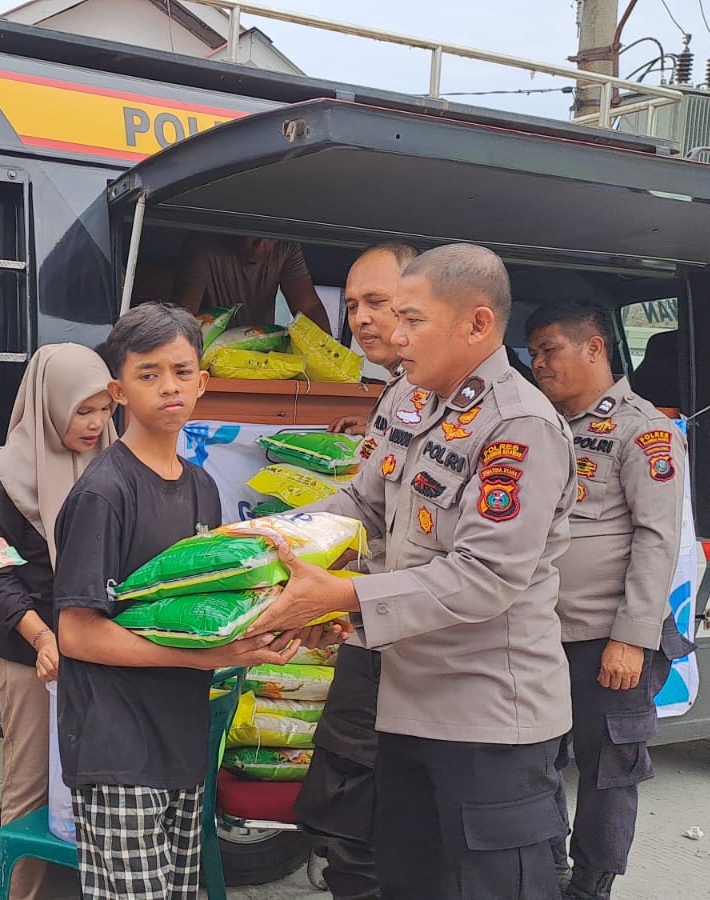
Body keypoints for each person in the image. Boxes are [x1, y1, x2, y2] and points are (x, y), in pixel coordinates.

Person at [248, 243, 576, 900]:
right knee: (403, 880)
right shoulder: (408, 398)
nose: (394, 338)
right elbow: (362, 502)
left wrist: (342, 595)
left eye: (412, 321)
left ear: (477, 325)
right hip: (403, 712)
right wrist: (267, 540)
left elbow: (485, 575)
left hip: (487, 727)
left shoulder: (519, 424)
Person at [51, 303, 306, 899]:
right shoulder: (104, 493)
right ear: (118, 390)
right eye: (148, 374)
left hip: (181, 741)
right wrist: (201, 661)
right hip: (118, 747)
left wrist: (280, 629)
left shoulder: (201, 485)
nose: (169, 387)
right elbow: (78, 634)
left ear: (202, 381)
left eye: (182, 371)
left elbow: (205, 608)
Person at [525, 303, 692, 900]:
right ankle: (545, 872)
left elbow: (657, 537)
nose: (539, 364)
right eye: (534, 353)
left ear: (594, 348)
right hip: (537, 633)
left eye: (550, 350)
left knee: (607, 769)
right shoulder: (536, 424)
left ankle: (590, 885)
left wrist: (632, 636)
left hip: (606, 639)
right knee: (530, 760)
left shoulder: (642, 430)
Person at [295, 240, 416, 900]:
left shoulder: (474, 407)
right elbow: (363, 500)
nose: (359, 319)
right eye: (353, 305)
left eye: (377, 301)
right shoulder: (395, 395)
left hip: (423, 644)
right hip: (374, 628)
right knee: (350, 814)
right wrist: (274, 539)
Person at [0, 344, 117, 900]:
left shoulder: (114, 465)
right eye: (84, 410)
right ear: (49, 403)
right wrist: (42, 637)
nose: (96, 423)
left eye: (106, 409)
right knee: (30, 786)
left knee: (108, 785)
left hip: (102, 646)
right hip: (26, 652)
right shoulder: (3, 478)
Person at [174, 234, 333, 333]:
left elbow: (308, 308)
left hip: (260, 351)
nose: (259, 246)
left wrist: (330, 356)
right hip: (211, 352)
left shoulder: (286, 246)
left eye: (269, 239)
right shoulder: (203, 244)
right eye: (252, 236)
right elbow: (186, 310)